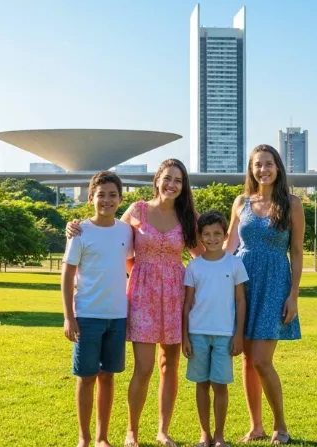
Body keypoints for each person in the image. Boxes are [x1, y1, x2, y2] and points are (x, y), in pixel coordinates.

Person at [67, 159, 202, 447]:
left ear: (183, 185)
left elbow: (202, 255)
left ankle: (163, 430)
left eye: (178, 180)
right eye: (167, 178)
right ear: (157, 180)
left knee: (170, 364)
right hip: (142, 294)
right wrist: (74, 226)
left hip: (176, 293)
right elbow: (109, 229)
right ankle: (132, 431)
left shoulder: (189, 216)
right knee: (144, 367)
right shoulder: (139, 209)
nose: (172, 184)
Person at [225, 144, 303, 445]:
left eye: (268, 164)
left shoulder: (292, 203)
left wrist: (293, 295)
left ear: (278, 167)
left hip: (274, 284)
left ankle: (280, 426)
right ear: (251, 169)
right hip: (242, 283)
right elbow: (228, 245)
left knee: (261, 360)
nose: (263, 169)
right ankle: (255, 427)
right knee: (246, 359)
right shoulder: (241, 201)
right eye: (257, 164)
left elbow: (296, 252)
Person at [62, 171, 133, 447]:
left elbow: (131, 261)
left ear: (120, 199)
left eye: (113, 195)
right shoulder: (80, 232)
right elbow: (67, 276)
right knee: (86, 377)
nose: (107, 200)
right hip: (87, 316)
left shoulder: (126, 231)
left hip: (117, 316)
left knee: (108, 377)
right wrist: (69, 317)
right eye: (101, 195)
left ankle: (102, 438)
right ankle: (84, 438)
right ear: (90, 198)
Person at [182, 210, 248, 447]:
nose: (212, 238)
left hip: (225, 335)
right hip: (197, 334)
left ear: (225, 234)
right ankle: (204, 435)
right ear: (199, 236)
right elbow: (187, 303)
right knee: (202, 384)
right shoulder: (193, 266)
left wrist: (238, 335)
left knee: (220, 385)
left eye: (217, 233)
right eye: (207, 234)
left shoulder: (235, 263)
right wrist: (185, 338)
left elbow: (241, 301)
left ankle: (219, 436)